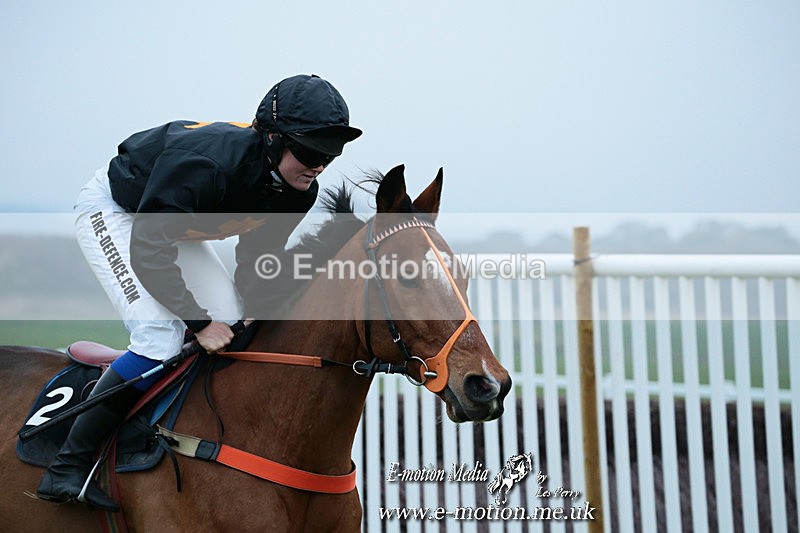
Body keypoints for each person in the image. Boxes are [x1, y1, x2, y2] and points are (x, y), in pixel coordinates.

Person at [36, 74, 361, 511]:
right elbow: (150, 250)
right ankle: (66, 467)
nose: (320, 163)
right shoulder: (207, 166)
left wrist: (253, 310)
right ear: (271, 139)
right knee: (159, 337)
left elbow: (255, 260)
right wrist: (197, 323)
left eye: (331, 152)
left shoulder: (297, 190)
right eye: (309, 151)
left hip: (171, 223)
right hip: (120, 213)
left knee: (230, 323)